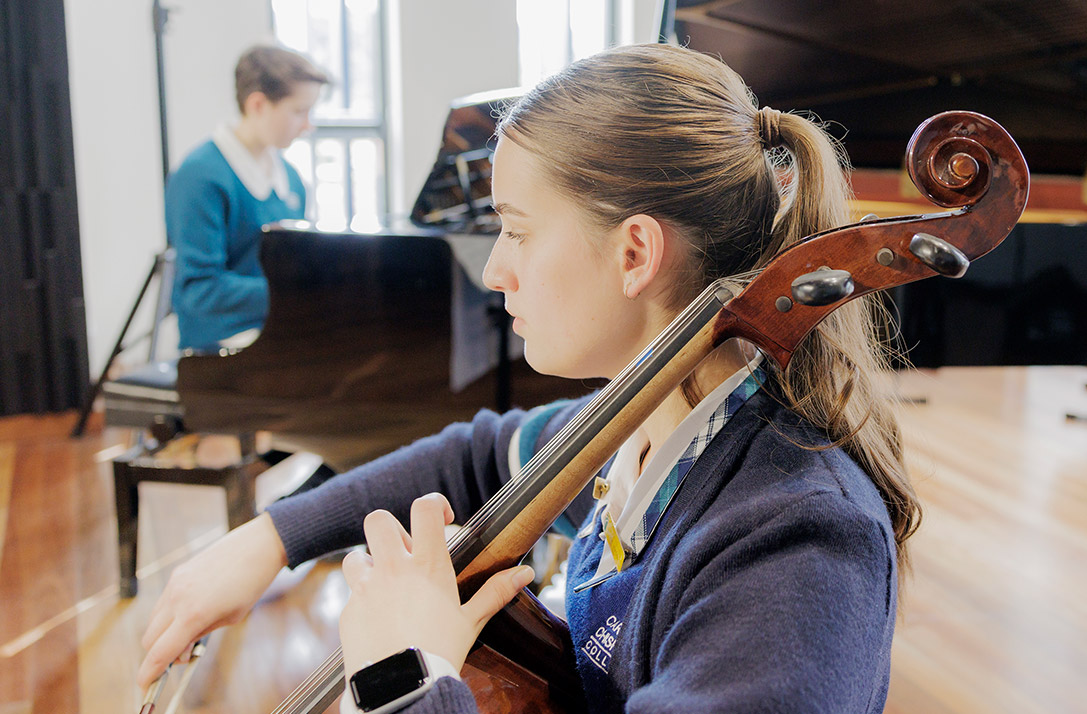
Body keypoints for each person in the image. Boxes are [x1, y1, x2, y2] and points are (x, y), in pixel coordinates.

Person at [136, 43, 916, 713]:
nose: (497, 271)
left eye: (516, 230)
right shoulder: (642, 427)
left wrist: (409, 676)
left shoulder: (797, 548)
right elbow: (479, 455)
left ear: (635, 254)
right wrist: (271, 539)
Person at [168, 44, 327, 352]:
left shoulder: (291, 179)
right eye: (299, 111)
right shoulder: (199, 177)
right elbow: (200, 290)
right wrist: (298, 294)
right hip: (224, 344)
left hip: (279, 328)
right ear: (257, 105)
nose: (308, 125)